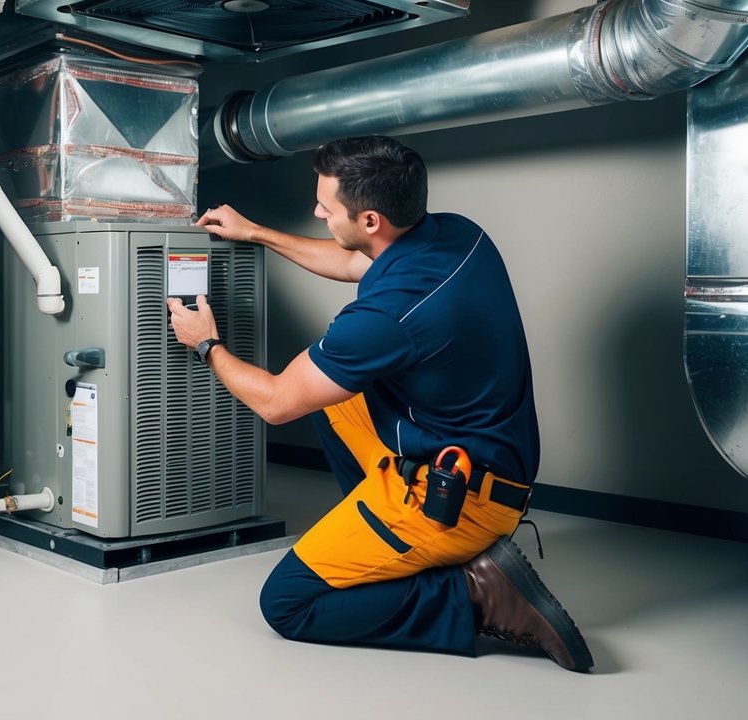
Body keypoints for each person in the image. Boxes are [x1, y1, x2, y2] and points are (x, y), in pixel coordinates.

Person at [167, 135, 592, 672]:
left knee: (287, 603)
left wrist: (207, 343)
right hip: (486, 455)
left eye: (326, 205)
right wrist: (254, 232)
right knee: (334, 397)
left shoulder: (389, 318)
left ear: (370, 220)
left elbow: (276, 403)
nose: (316, 211)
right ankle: (389, 550)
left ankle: (473, 592)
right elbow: (352, 265)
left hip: (459, 494)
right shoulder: (457, 234)